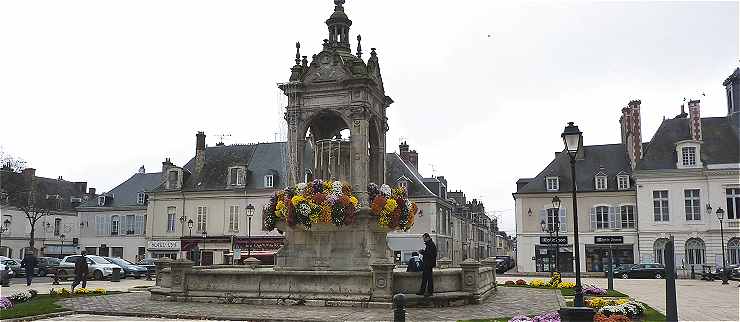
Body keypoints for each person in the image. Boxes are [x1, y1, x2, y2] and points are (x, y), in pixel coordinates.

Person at [417, 232, 437, 297]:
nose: (423, 240)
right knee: (425, 278)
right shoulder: (430, 244)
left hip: (428, 264)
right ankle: (422, 291)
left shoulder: (431, 244)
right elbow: (429, 253)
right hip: (428, 264)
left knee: (429, 278)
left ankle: (429, 292)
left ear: (427, 238)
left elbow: (430, 254)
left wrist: (422, 252)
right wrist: (423, 252)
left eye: (424, 239)